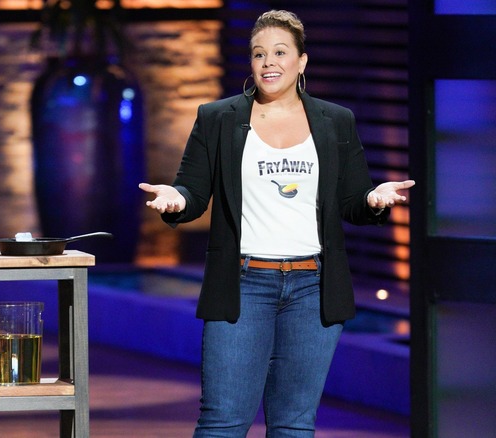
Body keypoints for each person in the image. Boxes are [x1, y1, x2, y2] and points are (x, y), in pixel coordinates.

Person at [138, 9, 414, 438]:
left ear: (301, 61)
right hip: (243, 284)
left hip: (312, 288)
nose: (268, 62)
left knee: (294, 426)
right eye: (259, 54)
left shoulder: (336, 121)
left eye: (280, 52)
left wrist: (376, 199)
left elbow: (353, 203)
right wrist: (176, 200)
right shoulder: (219, 118)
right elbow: (191, 193)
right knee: (222, 422)